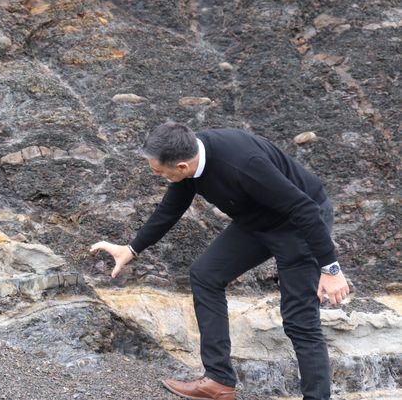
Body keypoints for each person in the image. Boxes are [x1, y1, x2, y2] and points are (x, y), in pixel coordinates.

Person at [90, 122, 350, 400]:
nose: (155, 174)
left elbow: (305, 209)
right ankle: (218, 381)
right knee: (205, 275)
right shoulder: (189, 157)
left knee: (299, 320)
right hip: (256, 221)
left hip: (299, 226)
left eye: (157, 171)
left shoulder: (243, 164)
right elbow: (171, 208)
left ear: (181, 167)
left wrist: (330, 268)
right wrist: (132, 248)